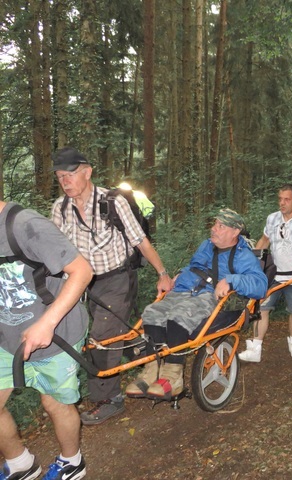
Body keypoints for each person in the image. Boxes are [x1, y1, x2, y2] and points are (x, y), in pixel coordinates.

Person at [50, 146, 172, 426]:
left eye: (69, 174)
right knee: (94, 331)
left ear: (87, 172)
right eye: (59, 176)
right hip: (82, 283)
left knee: (102, 339)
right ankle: (143, 346)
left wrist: (162, 273)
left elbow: (140, 240)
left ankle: (109, 399)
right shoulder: (60, 208)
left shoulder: (113, 202)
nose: (65, 181)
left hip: (117, 277)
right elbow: (54, 250)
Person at [125, 208, 268, 399]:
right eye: (215, 224)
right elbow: (195, 266)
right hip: (184, 290)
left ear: (235, 232)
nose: (214, 229)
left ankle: (173, 377)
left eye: (221, 226)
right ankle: (152, 370)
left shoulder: (243, 256)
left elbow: (260, 285)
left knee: (180, 314)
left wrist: (232, 280)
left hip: (209, 297)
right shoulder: (206, 245)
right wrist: (180, 275)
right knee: (152, 312)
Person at [0, 201, 93, 480]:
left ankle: (72, 461)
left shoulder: (25, 224)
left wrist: (47, 324)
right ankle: (20, 463)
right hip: (6, 337)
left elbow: (82, 271)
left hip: (56, 332)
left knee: (55, 404)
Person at [238, 184, 292, 363]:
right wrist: (251, 261)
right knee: (261, 308)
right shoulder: (272, 219)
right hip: (275, 276)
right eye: (280, 199)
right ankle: (256, 347)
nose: (282, 203)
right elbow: (265, 240)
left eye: (287, 199)